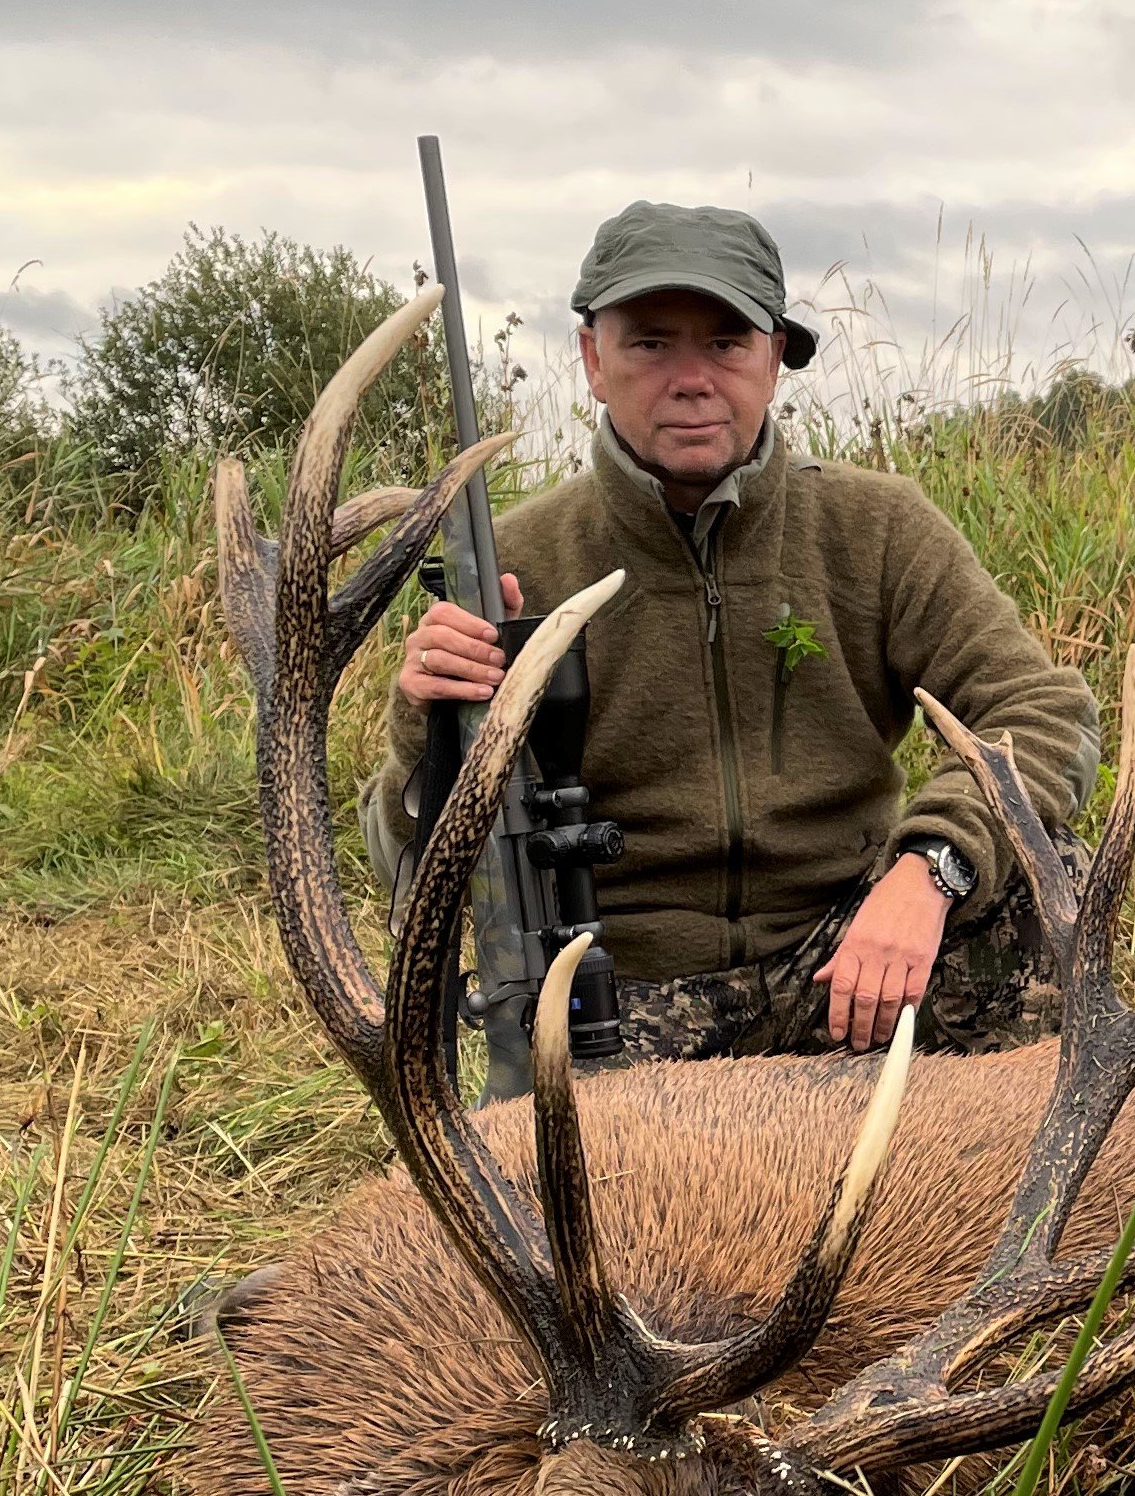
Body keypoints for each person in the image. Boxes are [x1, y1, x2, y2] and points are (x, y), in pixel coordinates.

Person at [380, 201, 1097, 1062]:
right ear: (592, 360)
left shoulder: (876, 528)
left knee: (1042, 866)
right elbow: (407, 873)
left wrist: (930, 868)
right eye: (650, 343)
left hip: (851, 961)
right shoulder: (518, 563)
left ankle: (1008, 1168)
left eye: (725, 343)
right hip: (630, 995)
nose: (691, 378)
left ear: (774, 360)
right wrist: (431, 727)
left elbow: (1041, 711)